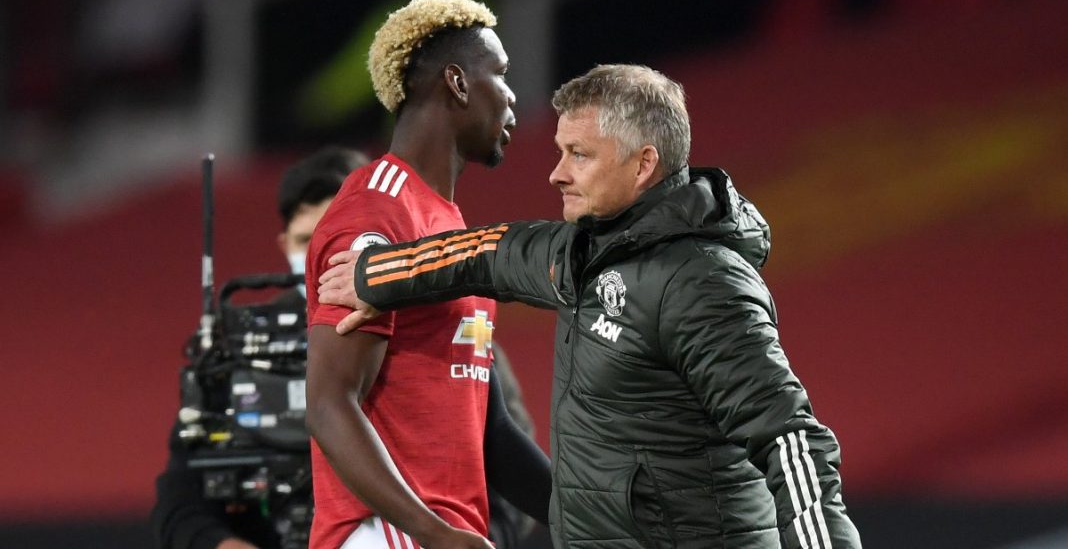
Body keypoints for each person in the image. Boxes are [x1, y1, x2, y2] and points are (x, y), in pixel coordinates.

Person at [318, 64, 864, 548]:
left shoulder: (702, 283)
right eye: (561, 152)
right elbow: (484, 254)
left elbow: (789, 438)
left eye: (579, 154)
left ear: (643, 164)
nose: (557, 172)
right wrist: (374, 275)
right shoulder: (578, 251)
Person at [302, 0, 550, 549]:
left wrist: (598, 519)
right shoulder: (375, 213)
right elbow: (329, 403)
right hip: (387, 533)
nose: (512, 96)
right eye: (501, 74)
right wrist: (431, 531)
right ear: (457, 83)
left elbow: (491, 432)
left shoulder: (448, 226)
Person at [150, 146, 368, 549]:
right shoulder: (235, 345)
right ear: (285, 244)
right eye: (307, 240)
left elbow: (482, 471)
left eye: (338, 239)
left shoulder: (428, 332)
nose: (321, 257)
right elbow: (180, 501)